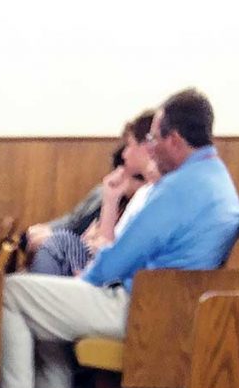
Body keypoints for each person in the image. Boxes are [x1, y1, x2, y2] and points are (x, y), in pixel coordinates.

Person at [0, 88, 239, 388]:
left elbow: (118, 260)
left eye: (153, 137)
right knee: (40, 297)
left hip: (139, 313)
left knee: (12, 291)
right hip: (169, 310)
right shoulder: (218, 181)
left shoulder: (179, 188)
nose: (149, 147)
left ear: (176, 140)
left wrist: (85, 278)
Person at [31, 111, 158, 279]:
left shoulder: (157, 196)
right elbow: (105, 246)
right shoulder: (143, 193)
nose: (124, 154)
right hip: (104, 275)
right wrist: (111, 200)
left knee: (56, 246)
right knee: (57, 244)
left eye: (129, 145)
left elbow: (115, 257)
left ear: (146, 147)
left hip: (124, 287)